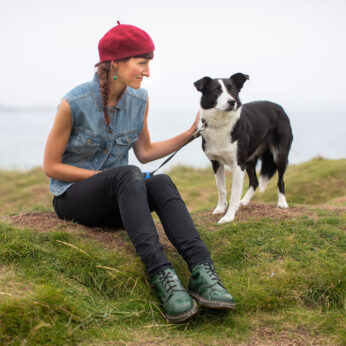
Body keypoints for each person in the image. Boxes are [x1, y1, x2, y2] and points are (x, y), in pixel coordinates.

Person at [43, 21, 235, 323]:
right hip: (74, 199)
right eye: (141, 63)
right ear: (115, 63)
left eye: (148, 64)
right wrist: (100, 180)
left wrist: (190, 133)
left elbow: (144, 152)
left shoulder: (139, 99)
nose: (147, 71)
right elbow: (51, 166)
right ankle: (162, 277)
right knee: (128, 174)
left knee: (161, 182)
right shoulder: (74, 103)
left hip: (121, 196)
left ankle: (202, 271)